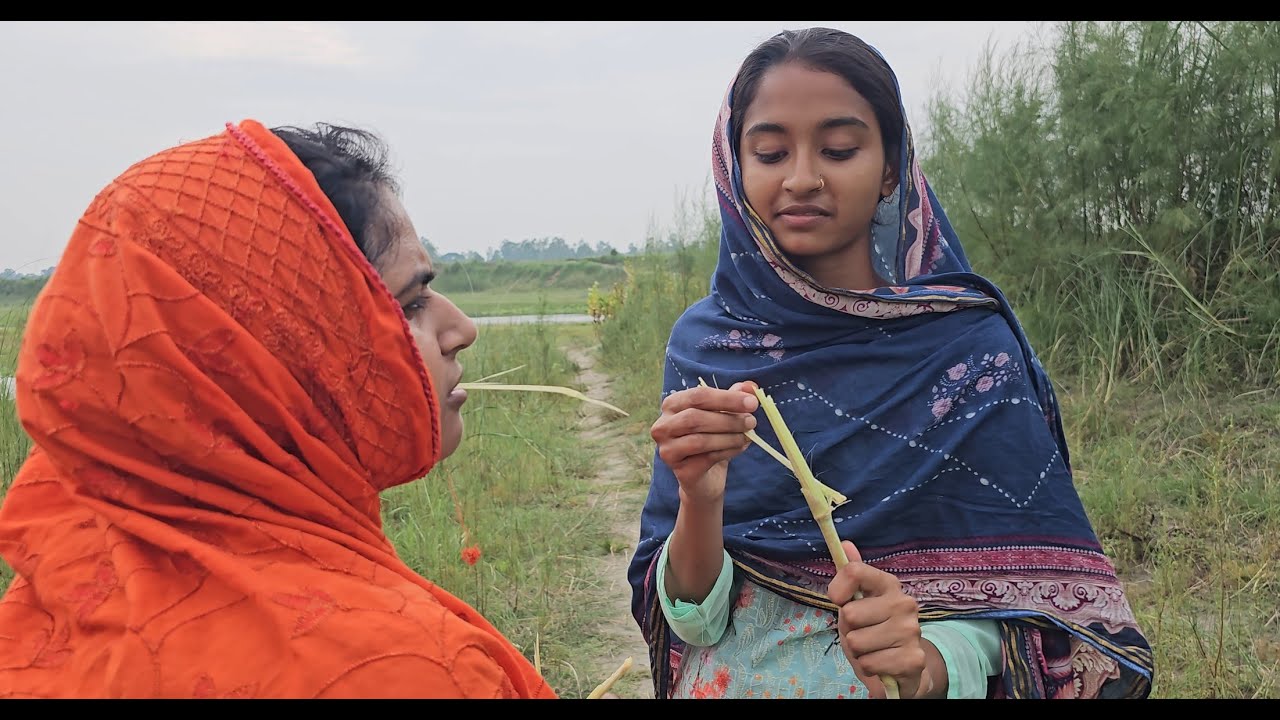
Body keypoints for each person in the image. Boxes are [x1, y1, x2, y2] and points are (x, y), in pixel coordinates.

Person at [628, 27, 1154, 700]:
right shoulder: (707, 349)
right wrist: (700, 502)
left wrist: (926, 665)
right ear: (734, 168)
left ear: (888, 170)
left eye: (839, 148)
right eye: (769, 151)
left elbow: (1039, 609)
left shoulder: (967, 350)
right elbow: (692, 622)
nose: (801, 177)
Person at [0, 119, 557, 699]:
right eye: (411, 302)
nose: (461, 329)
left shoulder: (55, 589)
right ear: (277, 357)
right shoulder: (406, 671)